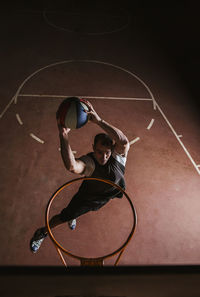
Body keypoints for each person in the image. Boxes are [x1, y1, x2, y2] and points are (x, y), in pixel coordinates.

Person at [30, 100, 130, 253]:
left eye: (107, 153)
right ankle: (42, 232)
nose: (103, 157)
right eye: (99, 152)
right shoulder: (90, 163)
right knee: (64, 216)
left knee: (88, 209)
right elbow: (72, 166)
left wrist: (99, 121)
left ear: (112, 150)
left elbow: (123, 141)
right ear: (93, 149)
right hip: (87, 198)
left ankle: (73, 216)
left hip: (106, 196)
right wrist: (63, 135)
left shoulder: (118, 157)